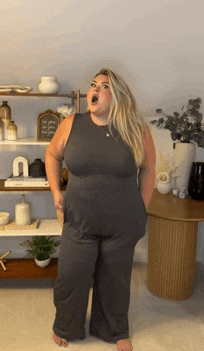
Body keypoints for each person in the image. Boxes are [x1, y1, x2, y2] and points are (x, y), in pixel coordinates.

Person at [45, 68, 156, 351]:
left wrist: (142, 208)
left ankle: (114, 329)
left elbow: (148, 169)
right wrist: (56, 190)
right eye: (93, 84)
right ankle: (66, 325)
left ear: (117, 95)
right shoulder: (72, 123)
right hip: (79, 220)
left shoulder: (136, 129)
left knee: (115, 279)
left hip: (122, 222)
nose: (95, 89)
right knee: (71, 274)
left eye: (104, 86)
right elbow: (52, 154)